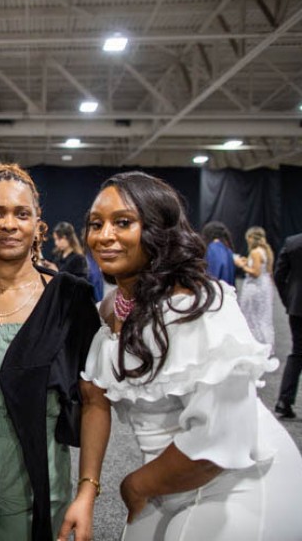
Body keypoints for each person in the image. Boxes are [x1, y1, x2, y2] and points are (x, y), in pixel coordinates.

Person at [58, 171, 302, 541]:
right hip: (165, 479)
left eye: (123, 222)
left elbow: (217, 441)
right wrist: (88, 489)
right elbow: (95, 399)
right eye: (95, 224)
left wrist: (135, 486)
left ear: (158, 229)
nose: (104, 235)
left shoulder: (202, 306)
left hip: (236, 479)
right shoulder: (108, 310)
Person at [0, 165, 100, 541]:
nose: (9, 224)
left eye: (21, 214)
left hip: (41, 470)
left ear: (39, 225)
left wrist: (88, 489)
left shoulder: (71, 299)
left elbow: (94, 403)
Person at [274, 232, 302, 419]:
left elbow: (278, 275)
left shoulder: (292, 242)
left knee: (297, 352)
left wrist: (288, 300)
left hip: (297, 307)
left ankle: (284, 400)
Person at [235, 226, 275, 350]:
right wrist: (248, 262)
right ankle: (264, 343)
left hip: (255, 287)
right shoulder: (265, 250)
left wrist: (241, 265)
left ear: (252, 238)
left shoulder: (255, 252)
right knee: (262, 316)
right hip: (264, 285)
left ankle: (255, 345)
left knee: (252, 315)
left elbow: (255, 272)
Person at [201, 220, 236, 286]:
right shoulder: (228, 249)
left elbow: (213, 273)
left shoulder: (213, 249)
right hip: (228, 291)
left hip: (217, 290)